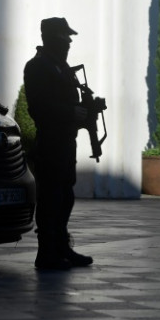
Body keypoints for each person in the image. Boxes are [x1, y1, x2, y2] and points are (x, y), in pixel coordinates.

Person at [23, 17, 93, 270]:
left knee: (65, 194)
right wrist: (69, 113)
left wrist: (85, 110)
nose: (69, 41)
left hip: (66, 140)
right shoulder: (38, 67)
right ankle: (47, 253)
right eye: (65, 37)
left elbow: (66, 102)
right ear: (52, 37)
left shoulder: (62, 68)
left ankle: (62, 246)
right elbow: (38, 106)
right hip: (51, 140)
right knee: (51, 196)